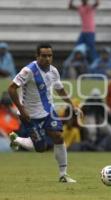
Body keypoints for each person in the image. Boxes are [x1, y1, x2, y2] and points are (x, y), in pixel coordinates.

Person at [7, 43, 78, 183]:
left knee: (58, 137)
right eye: (44, 56)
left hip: (48, 111)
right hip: (30, 115)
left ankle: (63, 175)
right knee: (41, 148)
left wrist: (73, 106)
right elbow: (11, 89)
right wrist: (22, 109)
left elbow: (60, 89)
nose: (47, 58)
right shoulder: (28, 71)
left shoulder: (54, 71)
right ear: (37, 56)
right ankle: (17, 139)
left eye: (49, 56)